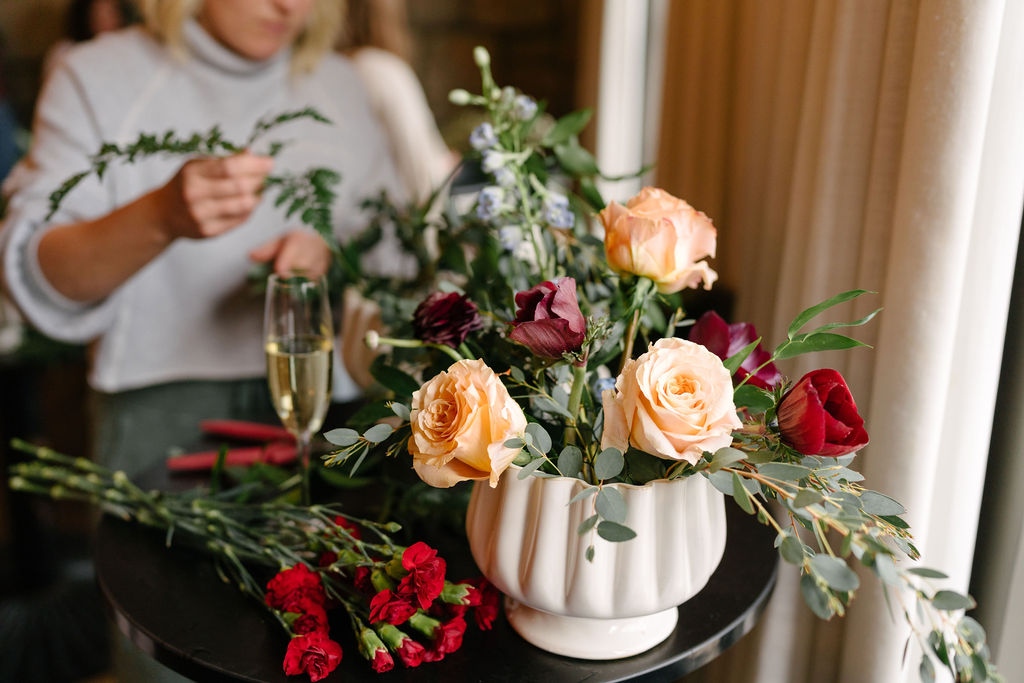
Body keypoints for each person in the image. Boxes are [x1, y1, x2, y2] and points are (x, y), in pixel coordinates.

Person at [0, 0, 404, 478]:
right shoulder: (97, 75)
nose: (289, 6)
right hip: (162, 418)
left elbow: (396, 256)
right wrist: (160, 216)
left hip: (336, 414)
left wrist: (331, 256)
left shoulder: (341, 83)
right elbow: (35, 274)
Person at [338, 0, 457, 203]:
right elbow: (423, 178)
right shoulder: (381, 70)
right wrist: (447, 166)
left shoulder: (330, 72)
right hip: (389, 224)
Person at [42, 0, 138, 81]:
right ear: (87, 15)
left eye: (113, 13)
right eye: (104, 13)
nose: (113, 20)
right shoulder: (64, 52)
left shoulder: (123, 52)